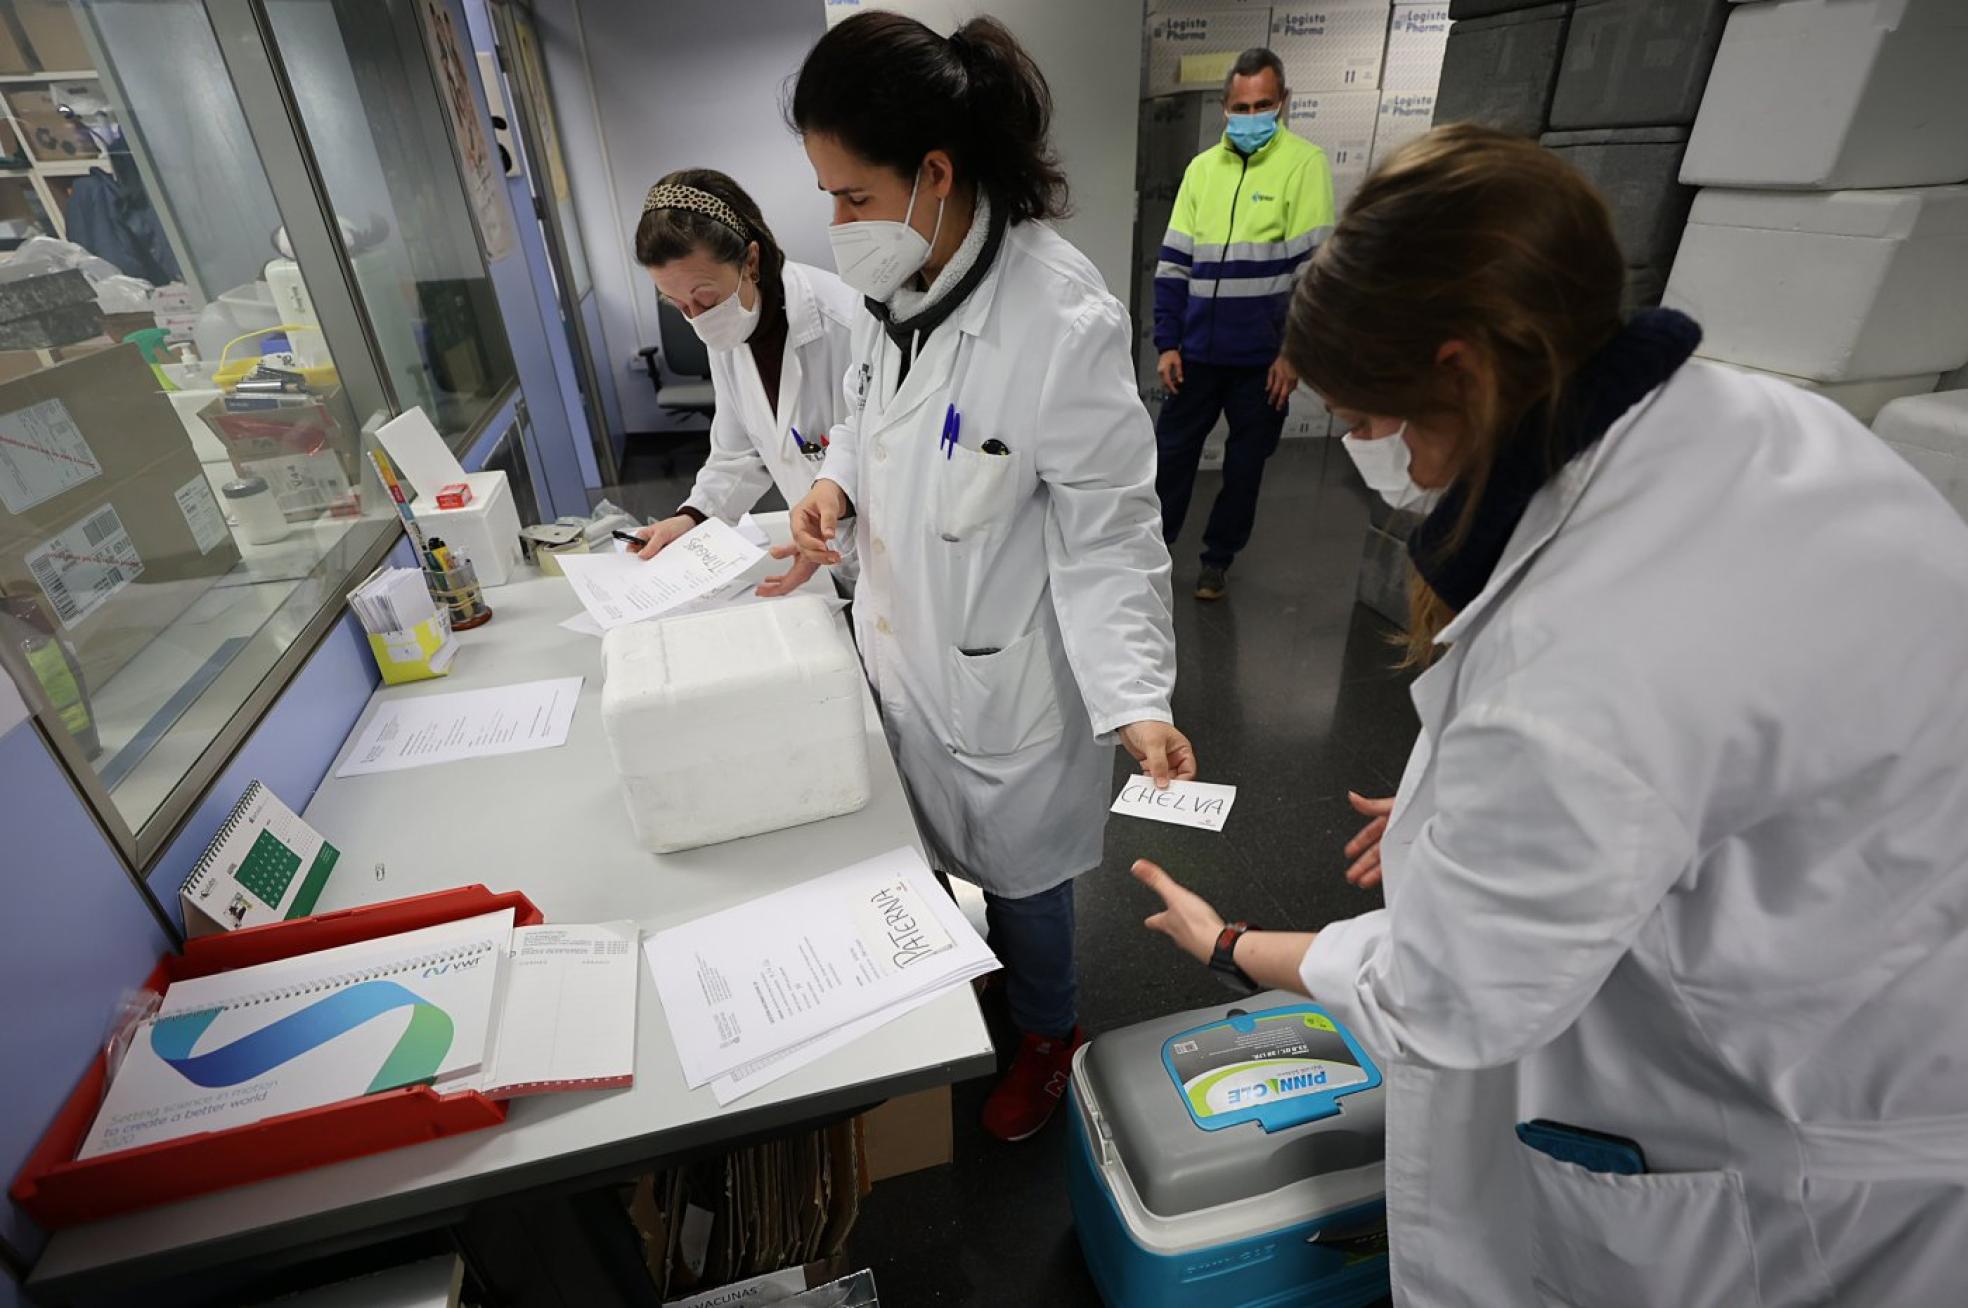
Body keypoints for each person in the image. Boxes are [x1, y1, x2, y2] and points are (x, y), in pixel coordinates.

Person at [1134, 125, 1968, 1306]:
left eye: (1381, 425)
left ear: (1466, 370)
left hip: (1786, 1156)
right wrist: (1457, 813)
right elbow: (1700, 759)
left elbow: (1447, 995)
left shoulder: (1584, 670)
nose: (1386, 464)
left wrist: (1230, 945)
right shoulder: (1768, 431)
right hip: (1888, 980)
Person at [775, 11, 1195, 1142]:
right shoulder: (894, 284)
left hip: (1004, 673)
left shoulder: (1060, 321)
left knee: (1026, 883)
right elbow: (868, 418)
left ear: (936, 174)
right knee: (929, 846)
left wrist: (1137, 697)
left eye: (850, 196)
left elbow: (1110, 530)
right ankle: (984, 984)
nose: (836, 222)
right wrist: (838, 489)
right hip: (906, 645)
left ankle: (1051, 1033)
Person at [1151, 48, 1335, 601]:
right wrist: (1167, 342)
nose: (1251, 115)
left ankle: (1217, 560)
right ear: (1225, 106)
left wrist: (1293, 352)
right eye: (1241, 106)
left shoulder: (1304, 164)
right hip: (1197, 353)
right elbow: (1174, 262)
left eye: (1263, 105)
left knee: (1245, 467)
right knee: (1170, 458)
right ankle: (1151, 556)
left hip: (1263, 361)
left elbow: (1314, 271)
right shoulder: (1202, 171)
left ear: (1282, 103)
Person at [629, 168, 861, 578]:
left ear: (750, 261)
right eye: (678, 305)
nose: (697, 319)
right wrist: (692, 518)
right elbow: (738, 452)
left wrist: (839, 483)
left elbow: (881, 445)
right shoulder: (728, 329)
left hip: (887, 550)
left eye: (704, 298)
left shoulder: (846, 320)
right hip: (825, 554)